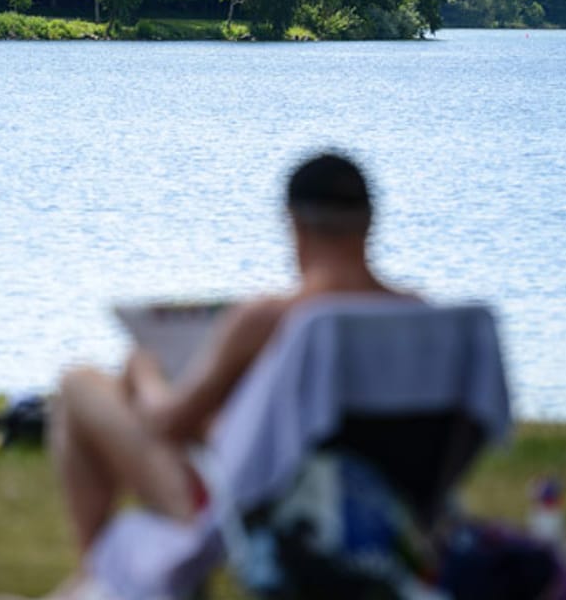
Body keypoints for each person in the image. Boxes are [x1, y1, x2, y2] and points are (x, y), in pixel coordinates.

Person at [47, 152, 411, 584]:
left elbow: (170, 422)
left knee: (79, 385)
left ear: (293, 225)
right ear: (370, 220)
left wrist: (145, 372)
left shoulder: (270, 319)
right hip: (390, 509)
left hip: (255, 509)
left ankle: (95, 581)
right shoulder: (421, 318)